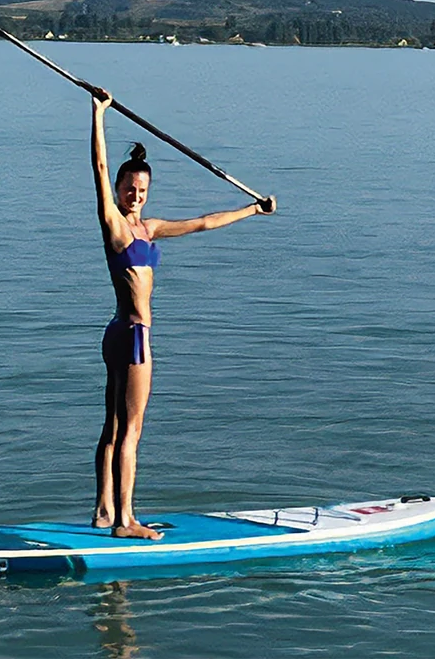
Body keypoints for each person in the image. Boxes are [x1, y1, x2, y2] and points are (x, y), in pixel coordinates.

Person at [90, 88, 276, 539]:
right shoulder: (114, 223)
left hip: (117, 332)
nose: (134, 196)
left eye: (141, 190)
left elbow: (204, 222)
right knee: (131, 429)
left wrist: (253, 210)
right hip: (133, 336)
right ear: (117, 189)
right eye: (128, 188)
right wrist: (98, 116)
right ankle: (126, 521)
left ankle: (102, 509)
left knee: (114, 425)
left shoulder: (149, 229)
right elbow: (96, 165)